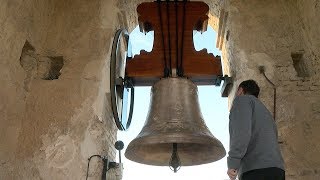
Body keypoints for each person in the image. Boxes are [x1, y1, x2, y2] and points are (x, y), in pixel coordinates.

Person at [227, 80, 285, 180]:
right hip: (277, 171)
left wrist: (233, 162)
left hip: (255, 170)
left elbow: (241, 133)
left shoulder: (241, 101)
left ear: (240, 90)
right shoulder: (266, 112)